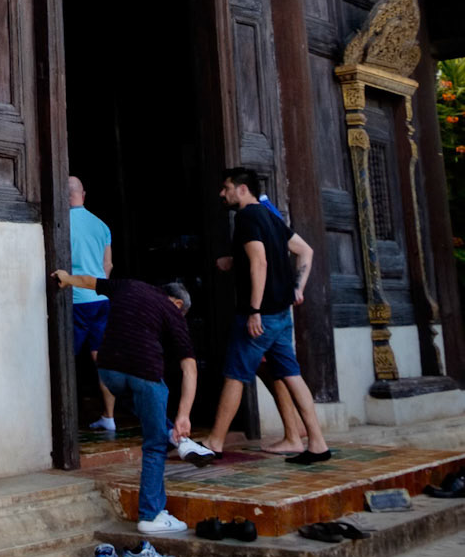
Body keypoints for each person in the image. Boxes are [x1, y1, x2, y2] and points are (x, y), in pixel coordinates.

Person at [189, 165, 331, 465]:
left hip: (261, 315)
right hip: (281, 314)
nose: (222, 193)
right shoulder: (270, 216)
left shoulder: (246, 218)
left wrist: (254, 309)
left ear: (242, 189)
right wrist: (296, 288)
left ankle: (214, 441)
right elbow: (305, 251)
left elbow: (260, 262)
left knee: (235, 375)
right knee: (292, 376)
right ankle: (317, 443)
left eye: (226, 188)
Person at [52, 267, 199, 537]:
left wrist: (66, 278)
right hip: (144, 373)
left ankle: (170, 432)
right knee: (154, 445)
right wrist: (184, 415)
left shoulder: (128, 285)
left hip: (109, 372)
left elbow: (88, 281)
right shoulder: (173, 314)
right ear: (178, 303)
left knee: (146, 409)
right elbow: (190, 368)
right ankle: (151, 515)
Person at [68, 176, 117, 435]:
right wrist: (98, 287)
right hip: (100, 300)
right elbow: (107, 265)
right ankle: (109, 417)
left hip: (75, 301)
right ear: (83, 194)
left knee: (67, 359)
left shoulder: (61, 223)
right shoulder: (101, 225)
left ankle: (65, 420)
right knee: (101, 360)